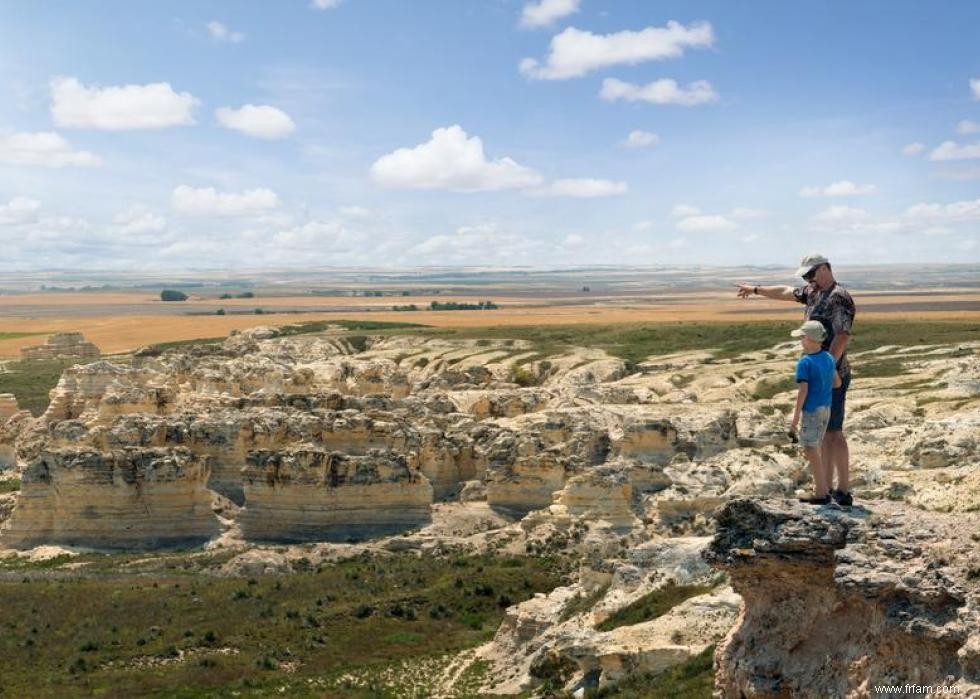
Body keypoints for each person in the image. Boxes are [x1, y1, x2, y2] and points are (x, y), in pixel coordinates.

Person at [736, 253, 856, 506]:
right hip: (823, 373)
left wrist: (827, 369)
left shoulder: (839, 297)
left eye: (811, 274)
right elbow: (786, 292)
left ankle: (842, 489)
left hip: (831, 375)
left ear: (824, 268)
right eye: (805, 276)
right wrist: (756, 289)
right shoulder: (814, 292)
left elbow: (842, 335)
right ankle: (828, 487)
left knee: (833, 432)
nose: (808, 280)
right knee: (824, 433)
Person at [790, 320, 841, 504]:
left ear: (810, 339)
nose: (801, 341)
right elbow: (837, 383)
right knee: (816, 447)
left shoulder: (805, 362)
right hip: (825, 408)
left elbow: (803, 391)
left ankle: (821, 493)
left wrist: (795, 418)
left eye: (802, 337)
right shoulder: (828, 357)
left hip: (811, 410)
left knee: (811, 449)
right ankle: (823, 487)